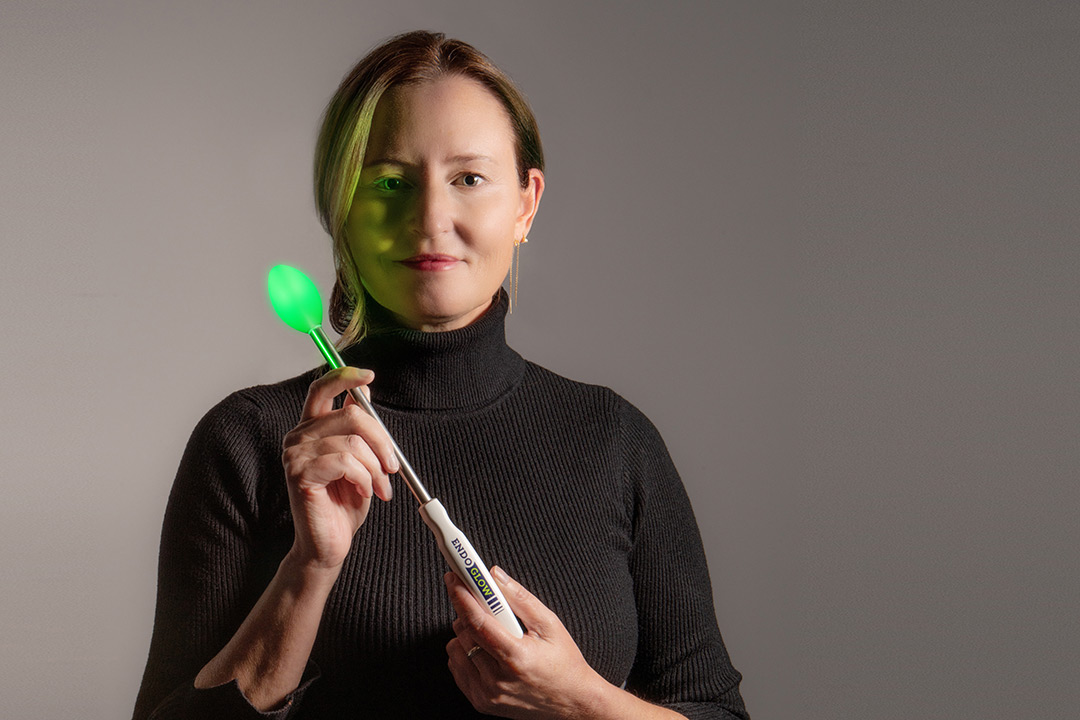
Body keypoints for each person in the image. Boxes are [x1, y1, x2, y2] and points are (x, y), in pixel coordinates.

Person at [133, 30, 749, 720]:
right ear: (342, 212)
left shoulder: (614, 440)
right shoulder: (249, 443)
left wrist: (584, 704)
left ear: (525, 203)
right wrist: (309, 570)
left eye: (469, 179)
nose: (431, 218)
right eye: (390, 182)